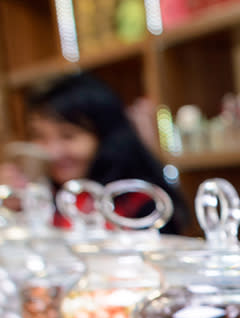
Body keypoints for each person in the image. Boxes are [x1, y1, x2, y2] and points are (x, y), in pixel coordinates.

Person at [0, 73, 188, 233]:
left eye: (68, 136)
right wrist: (15, 212)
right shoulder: (45, 195)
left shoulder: (143, 202)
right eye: (39, 136)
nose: (52, 151)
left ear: (106, 135)